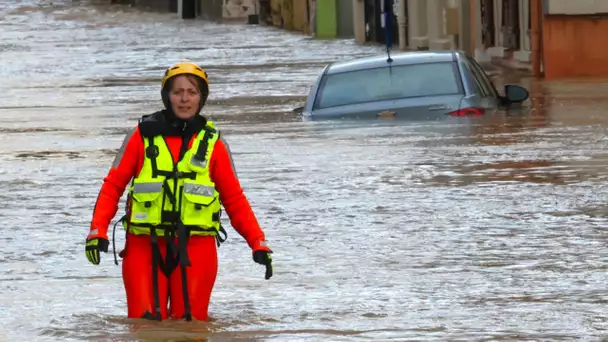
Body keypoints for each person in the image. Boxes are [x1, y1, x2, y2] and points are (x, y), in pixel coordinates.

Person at [84, 62, 273, 322]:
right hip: (143, 247)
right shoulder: (140, 137)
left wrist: (257, 242)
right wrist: (97, 231)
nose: (185, 99)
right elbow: (112, 188)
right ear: (166, 96)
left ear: (201, 98)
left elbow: (234, 199)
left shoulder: (214, 144)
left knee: (191, 328)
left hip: (197, 248)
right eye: (178, 92)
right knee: (144, 326)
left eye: (192, 92)